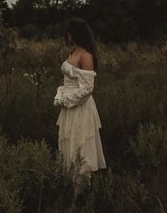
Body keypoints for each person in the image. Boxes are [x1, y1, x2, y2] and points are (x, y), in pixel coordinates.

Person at [53, 17, 107, 198]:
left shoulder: (86, 55)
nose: (66, 36)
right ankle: (69, 185)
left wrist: (66, 99)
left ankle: (80, 193)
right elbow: (68, 82)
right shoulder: (72, 52)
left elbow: (87, 89)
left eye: (68, 32)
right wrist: (60, 93)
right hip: (68, 107)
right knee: (68, 141)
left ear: (74, 33)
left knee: (79, 143)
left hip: (79, 107)